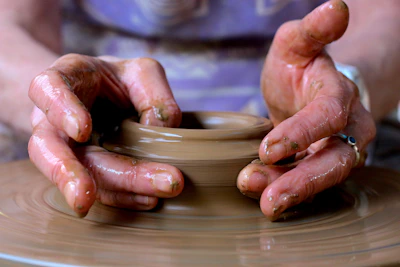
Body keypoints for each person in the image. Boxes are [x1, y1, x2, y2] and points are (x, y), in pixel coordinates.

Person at [0, 0, 399, 221]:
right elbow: (12, 22)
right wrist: (56, 104)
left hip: (300, 113)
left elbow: (386, 15)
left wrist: (345, 88)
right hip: (106, 107)